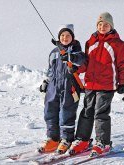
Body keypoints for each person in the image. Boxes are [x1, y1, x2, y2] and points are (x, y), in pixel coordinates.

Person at [68, 12, 124, 156]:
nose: (103, 27)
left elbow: (123, 65)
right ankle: (82, 140)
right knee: (87, 111)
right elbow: (87, 63)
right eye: (100, 24)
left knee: (100, 114)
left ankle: (103, 142)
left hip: (107, 85)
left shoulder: (118, 44)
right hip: (91, 83)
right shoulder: (91, 41)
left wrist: (123, 83)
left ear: (111, 26)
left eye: (106, 25)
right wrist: (77, 68)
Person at [38, 24, 86, 154]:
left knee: (67, 111)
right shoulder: (54, 52)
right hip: (54, 85)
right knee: (50, 110)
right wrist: (46, 81)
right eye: (62, 35)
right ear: (59, 37)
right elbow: (50, 70)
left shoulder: (76, 51)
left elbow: (81, 61)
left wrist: (70, 57)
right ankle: (53, 138)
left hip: (69, 86)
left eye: (68, 35)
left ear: (73, 37)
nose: (65, 38)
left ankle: (66, 139)